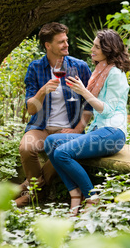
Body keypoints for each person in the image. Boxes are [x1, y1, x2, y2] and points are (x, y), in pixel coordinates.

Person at [44, 29, 130, 215]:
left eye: (97, 47)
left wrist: (83, 92)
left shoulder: (115, 74)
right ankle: (74, 193)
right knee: (50, 142)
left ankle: (91, 196)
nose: (92, 49)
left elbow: (106, 109)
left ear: (108, 50)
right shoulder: (101, 70)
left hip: (113, 133)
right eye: (93, 45)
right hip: (98, 131)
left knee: (61, 153)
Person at [15, 22, 93, 207]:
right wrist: (42, 91)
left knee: (59, 153)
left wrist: (78, 128)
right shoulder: (35, 68)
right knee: (26, 148)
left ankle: (31, 192)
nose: (67, 44)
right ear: (48, 45)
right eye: (61, 42)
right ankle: (37, 190)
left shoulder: (79, 67)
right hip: (41, 127)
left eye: (66, 40)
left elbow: (89, 101)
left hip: (68, 129)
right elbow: (31, 109)